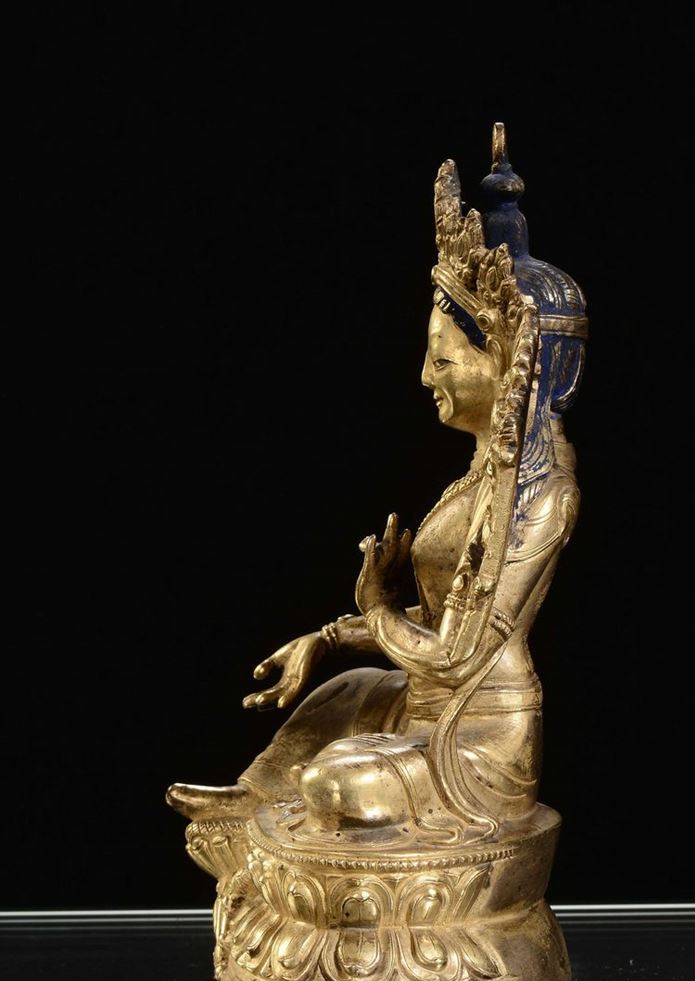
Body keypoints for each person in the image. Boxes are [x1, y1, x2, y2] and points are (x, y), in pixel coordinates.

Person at [167, 124, 587, 847]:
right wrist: (328, 639)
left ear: (509, 365)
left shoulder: (542, 495)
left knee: (331, 781)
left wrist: (376, 606)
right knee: (346, 694)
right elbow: (434, 625)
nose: (425, 377)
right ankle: (253, 806)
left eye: (444, 360)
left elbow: (456, 655)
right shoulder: (478, 477)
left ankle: (318, 829)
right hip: (420, 707)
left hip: (476, 739)